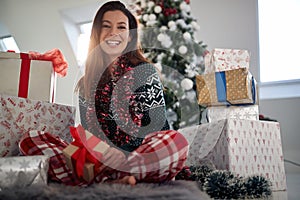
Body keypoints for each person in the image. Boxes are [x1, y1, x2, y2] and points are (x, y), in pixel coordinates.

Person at [19, 1, 189, 186]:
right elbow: (89, 135)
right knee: (32, 139)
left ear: (130, 36)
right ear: (97, 34)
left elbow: (157, 126)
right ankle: (112, 178)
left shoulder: (145, 71)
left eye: (121, 27)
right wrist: (104, 153)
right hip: (101, 161)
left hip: (141, 155)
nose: (113, 33)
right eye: (106, 26)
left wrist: (125, 154)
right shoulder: (86, 83)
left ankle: (125, 174)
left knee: (176, 141)